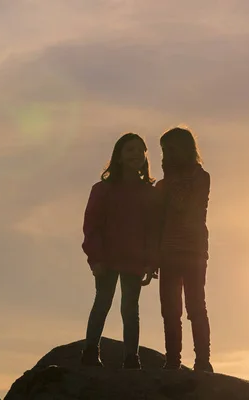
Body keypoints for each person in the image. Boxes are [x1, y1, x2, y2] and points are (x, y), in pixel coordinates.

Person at [81, 132, 159, 369]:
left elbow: (153, 230)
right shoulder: (103, 189)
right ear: (119, 156)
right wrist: (95, 258)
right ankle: (91, 352)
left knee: (130, 308)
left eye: (140, 150)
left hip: (134, 260)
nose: (136, 154)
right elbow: (91, 225)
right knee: (102, 302)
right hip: (106, 258)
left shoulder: (149, 193)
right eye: (129, 150)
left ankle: (131, 357)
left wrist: (151, 262)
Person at [156, 127, 214, 372]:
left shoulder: (201, 177)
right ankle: (172, 362)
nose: (167, 155)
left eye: (170, 149)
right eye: (164, 151)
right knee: (170, 310)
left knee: (195, 307)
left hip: (193, 252)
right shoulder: (166, 183)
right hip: (167, 251)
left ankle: (202, 361)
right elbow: (157, 219)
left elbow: (184, 206)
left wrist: (164, 187)